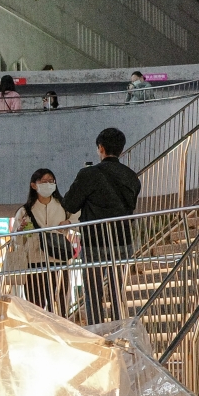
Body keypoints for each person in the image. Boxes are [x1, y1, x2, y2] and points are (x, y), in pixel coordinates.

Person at [61, 127, 141, 324]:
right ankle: (119, 330)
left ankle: (97, 334)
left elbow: (69, 204)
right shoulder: (132, 177)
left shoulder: (89, 174)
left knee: (93, 293)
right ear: (121, 150)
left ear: (101, 148)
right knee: (116, 292)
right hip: (123, 240)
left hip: (94, 241)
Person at [11, 168, 78, 313]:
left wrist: (69, 222)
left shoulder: (64, 205)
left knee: (60, 302)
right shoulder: (25, 211)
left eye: (51, 181)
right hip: (34, 261)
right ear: (34, 185)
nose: (48, 184)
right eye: (43, 181)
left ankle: (59, 330)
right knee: (35, 304)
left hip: (58, 259)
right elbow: (16, 240)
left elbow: (78, 219)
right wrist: (20, 230)